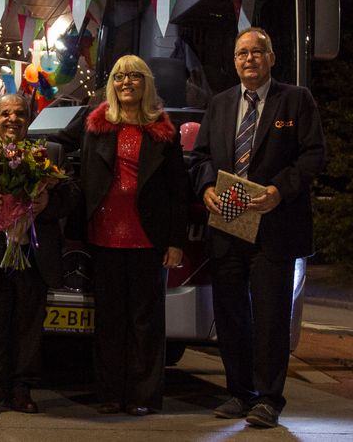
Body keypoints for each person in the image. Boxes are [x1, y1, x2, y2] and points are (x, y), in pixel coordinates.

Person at [191, 27, 325, 428]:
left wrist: (278, 191)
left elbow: (315, 155)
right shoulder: (219, 104)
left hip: (275, 224)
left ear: (271, 58)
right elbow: (200, 159)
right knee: (230, 314)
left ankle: (268, 398)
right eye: (241, 53)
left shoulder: (296, 100)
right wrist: (207, 187)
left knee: (270, 317)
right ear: (234, 61)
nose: (248, 59)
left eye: (256, 52)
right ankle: (238, 392)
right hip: (228, 222)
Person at [0, 94, 79, 416]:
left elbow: (73, 197)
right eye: (4, 114)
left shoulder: (50, 155)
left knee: (29, 328)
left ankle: (22, 390)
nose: (12, 119)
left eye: (19, 113)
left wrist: (49, 203)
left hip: (34, 256)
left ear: (28, 120)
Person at [77, 54, 188, 416]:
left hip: (148, 239)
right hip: (104, 237)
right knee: (109, 321)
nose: (126, 82)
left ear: (146, 84)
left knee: (146, 323)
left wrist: (175, 241)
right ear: (111, 84)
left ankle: (143, 396)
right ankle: (109, 394)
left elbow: (178, 189)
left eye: (134, 77)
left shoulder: (163, 131)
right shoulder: (95, 124)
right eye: (119, 76)